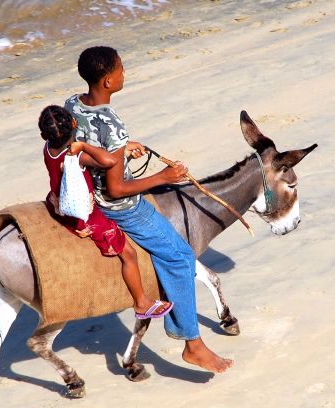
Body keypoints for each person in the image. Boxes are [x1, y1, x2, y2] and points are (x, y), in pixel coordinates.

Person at [64, 46, 233, 373]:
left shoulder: (73, 103)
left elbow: (85, 146)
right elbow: (116, 189)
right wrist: (162, 177)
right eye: (122, 70)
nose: (125, 74)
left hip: (85, 190)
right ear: (110, 81)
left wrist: (122, 150)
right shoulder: (111, 123)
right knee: (181, 255)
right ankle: (192, 344)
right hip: (117, 206)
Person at [38, 105, 173, 320]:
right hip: (82, 215)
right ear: (74, 124)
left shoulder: (48, 148)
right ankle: (141, 302)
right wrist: (83, 145)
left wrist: (125, 147)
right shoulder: (77, 155)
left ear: (44, 134)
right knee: (129, 254)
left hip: (57, 201)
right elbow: (109, 161)